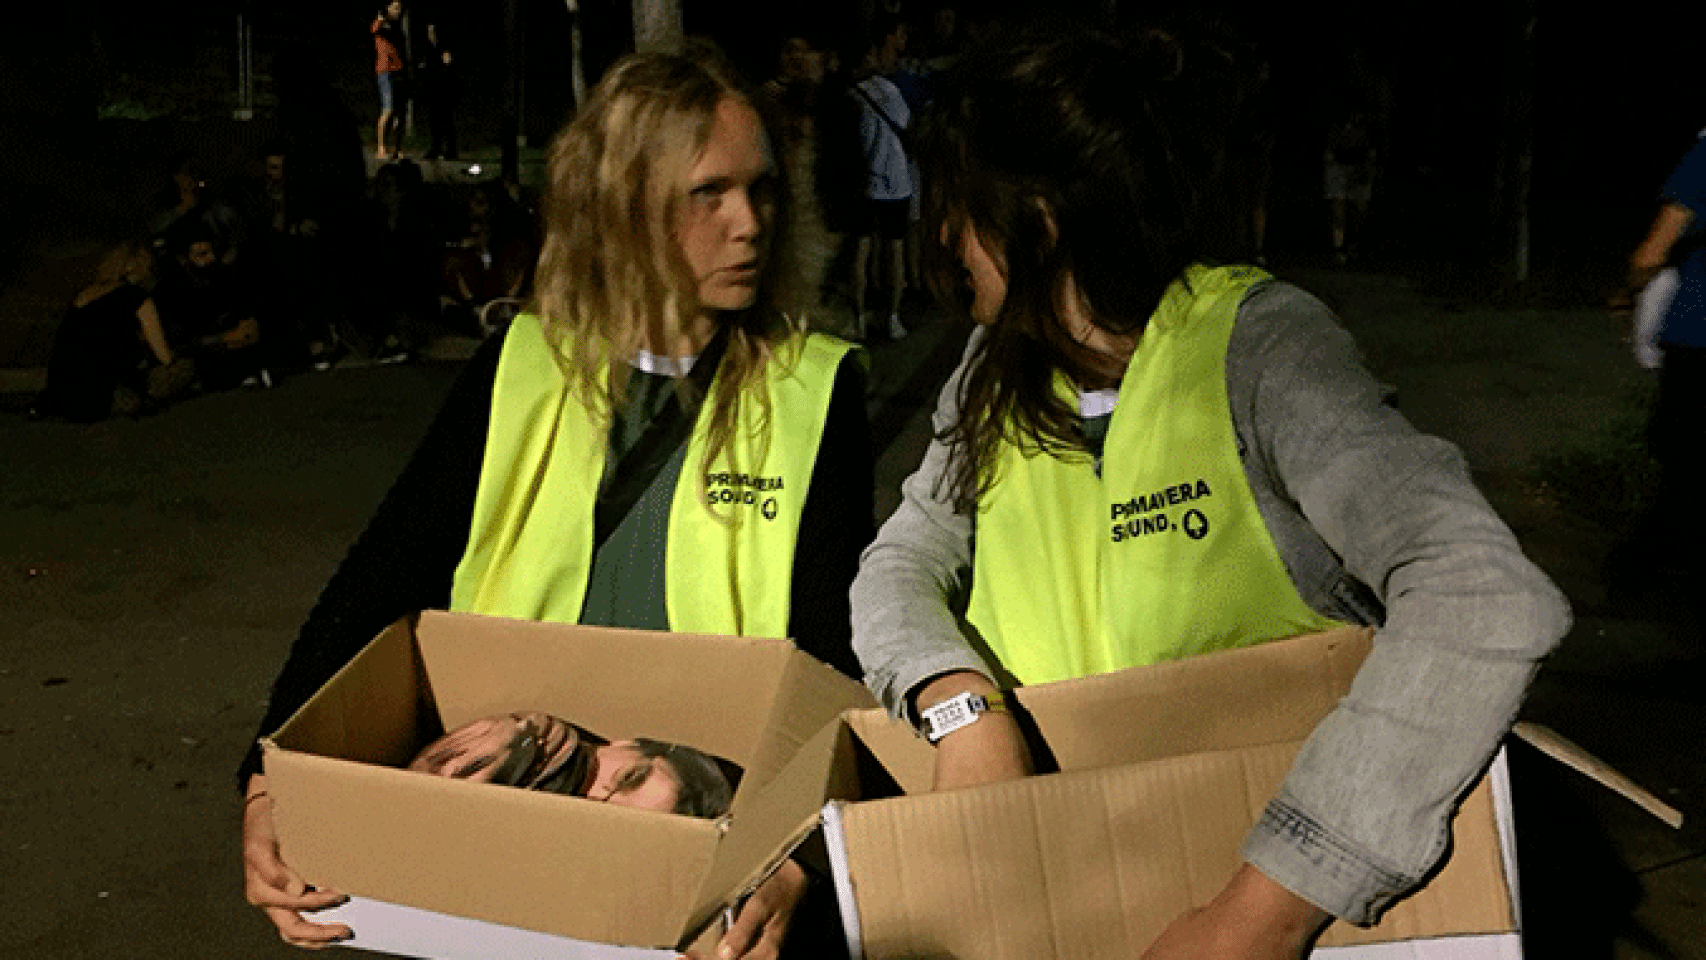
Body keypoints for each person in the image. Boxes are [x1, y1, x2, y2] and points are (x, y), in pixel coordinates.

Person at [850, 24, 1569, 960]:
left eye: (962, 207)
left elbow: (1483, 596)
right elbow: (901, 561)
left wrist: (1255, 920)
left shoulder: (1263, 350)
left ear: (1041, 216)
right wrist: (964, 714)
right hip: (1059, 885)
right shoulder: (993, 366)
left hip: (1262, 902)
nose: (942, 235)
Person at [238, 45, 873, 958]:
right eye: (709, 193)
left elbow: (834, 655)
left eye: (763, 189)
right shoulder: (522, 368)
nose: (748, 224)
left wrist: (794, 858)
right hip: (512, 828)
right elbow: (379, 581)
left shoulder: (814, 390)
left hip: (704, 845)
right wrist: (265, 784)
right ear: (620, 208)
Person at [408, 711, 738, 818]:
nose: (599, 794)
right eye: (629, 778)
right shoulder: (518, 741)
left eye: (620, 821)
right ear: (627, 743)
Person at [30, 242, 179, 422]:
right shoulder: (136, 298)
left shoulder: (84, 296)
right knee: (180, 369)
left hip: (63, 390)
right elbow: (163, 355)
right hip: (102, 392)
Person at [849, 16, 913, 341]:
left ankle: (858, 318)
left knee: (861, 254)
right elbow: (906, 123)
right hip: (895, 183)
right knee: (895, 253)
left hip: (863, 183)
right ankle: (892, 317)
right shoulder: (889, 90)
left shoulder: (849, 95)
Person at [372, 1, 411, 161]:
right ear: (388, 8)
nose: (398, 11)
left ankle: (397, 148)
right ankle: (381, 148)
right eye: (395, 8)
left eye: (399, 8)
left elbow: (402, 49)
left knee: (399, 113)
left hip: (398, 71)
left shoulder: (398, 29)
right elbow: (374, 29)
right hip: (385, 71)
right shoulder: (381, 24)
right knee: (387, 110)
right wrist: (382, 17)